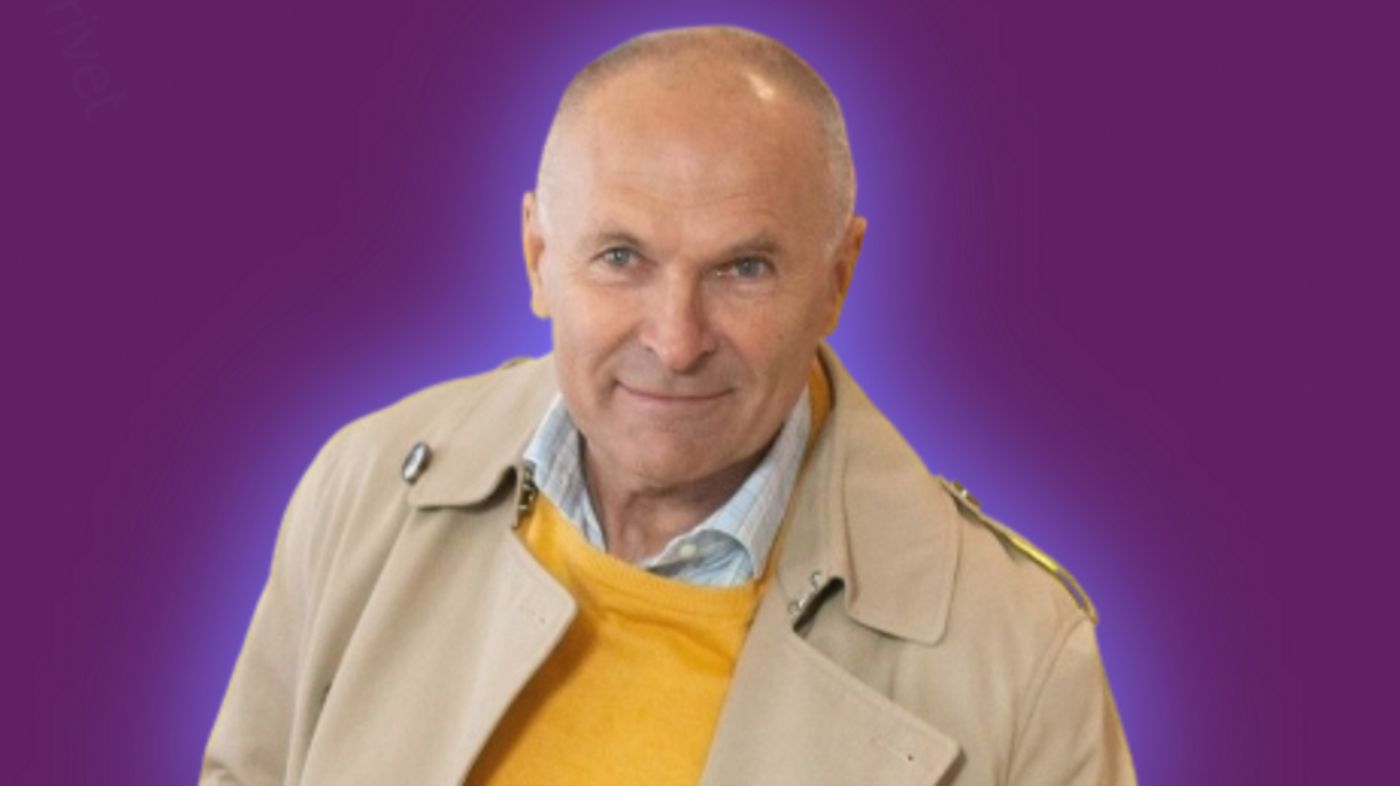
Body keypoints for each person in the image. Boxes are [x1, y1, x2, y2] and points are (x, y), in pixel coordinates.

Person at [201, 25, 1136, 786]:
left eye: (744, 268)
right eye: (621, 258)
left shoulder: (1022, 655)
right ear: (538, 259)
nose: (677, 340)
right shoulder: (366, 486)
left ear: (838, 278)